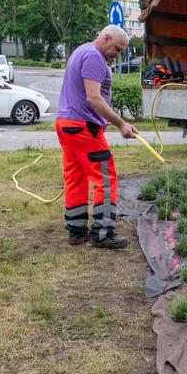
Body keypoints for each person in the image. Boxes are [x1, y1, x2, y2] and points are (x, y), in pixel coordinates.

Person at [55, 25, 136, 248]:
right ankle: (102, 234)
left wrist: (102, 121)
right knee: (106, 178)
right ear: (106, 38)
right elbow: (93, 98)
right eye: (117, 49)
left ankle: (76, 231)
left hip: (67, 124)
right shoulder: (93, 56)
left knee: (76, 176)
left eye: (120, 52)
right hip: (82, 128)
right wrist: (120, 123)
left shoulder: (81, 51)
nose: (116, 54)